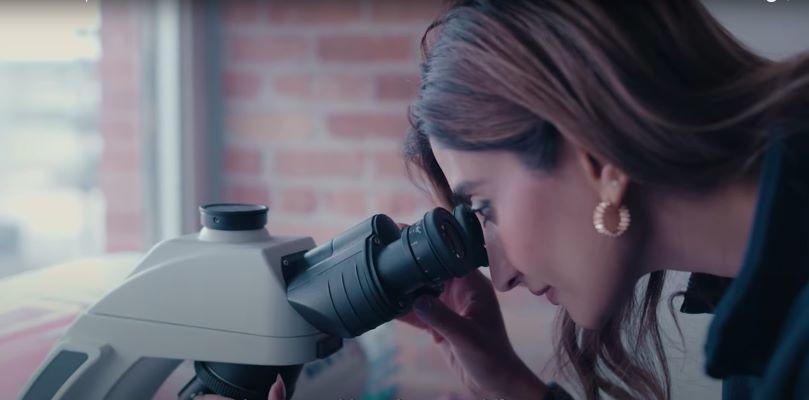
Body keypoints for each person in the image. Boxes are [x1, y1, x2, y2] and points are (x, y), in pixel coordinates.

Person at [203, 1, 809, 399]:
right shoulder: (763, 308)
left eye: (485, 206)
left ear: (595, 155)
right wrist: (512, 389)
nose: (501, 275)